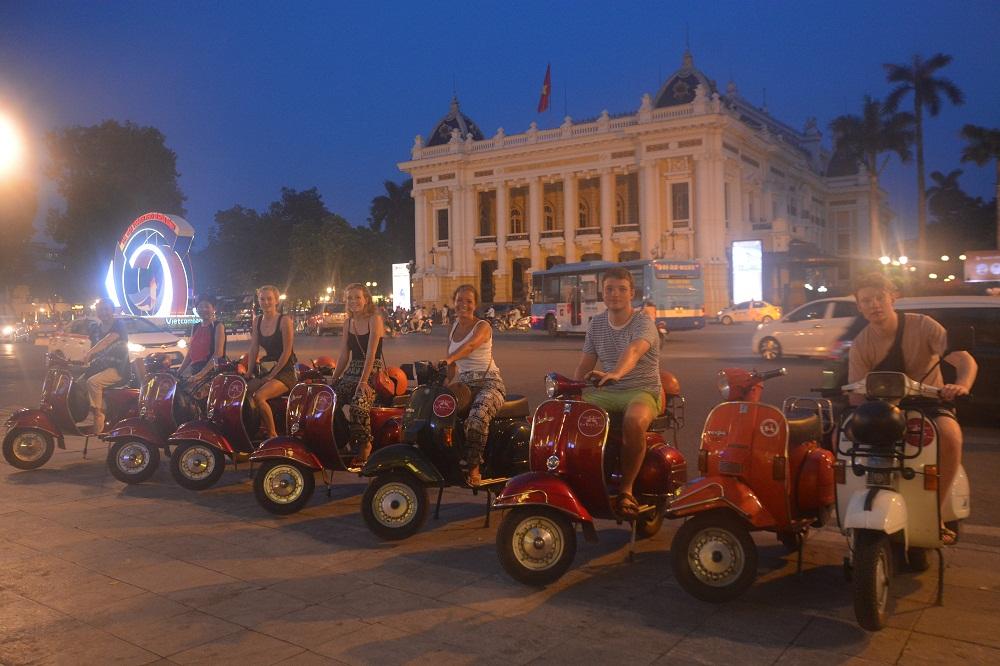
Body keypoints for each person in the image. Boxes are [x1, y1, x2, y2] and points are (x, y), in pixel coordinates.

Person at [848, 272, 977, 545]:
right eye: (866, 301)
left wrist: (961, 385)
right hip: (885, 411)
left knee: (950, 435)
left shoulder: (923, 326)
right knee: (845, 443)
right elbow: (857, 391)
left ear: (892, 297)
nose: (874, 305)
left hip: (928, 405)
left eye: (879, 297)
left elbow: (965, 361)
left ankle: (936, 512)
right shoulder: (861, 343)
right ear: (859, 306)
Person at [574, 267, 661, 517]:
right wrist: (571, 388)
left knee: (633, 422)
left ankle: (626, 489)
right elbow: (585, 363)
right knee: (570, 414)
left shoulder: (643, 322)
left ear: (631, 293)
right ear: (603, 293)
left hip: (641, 390)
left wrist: (617, 373)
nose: (615, 294)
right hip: (608, 390)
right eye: (609, 289)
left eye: (622, 289)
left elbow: (633, 351)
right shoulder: (597, 324)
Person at [442, 284, 506, 486]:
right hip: (464, 387)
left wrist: (448, 359)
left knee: (476, 419)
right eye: (459, 300)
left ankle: (474, 466)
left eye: (468, 301)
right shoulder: (453, 328)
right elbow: (452, 369)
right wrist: (441, 385)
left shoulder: (483, 326)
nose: (463, 305)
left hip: (489, 383)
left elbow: (469, 347)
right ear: (454, 302)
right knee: (439, 414)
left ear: (475, 304)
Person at [330, 283, 386, 466]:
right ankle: (342, 438)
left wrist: (363, 382)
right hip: (352, 370)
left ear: (366, 299)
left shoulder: (374, 319)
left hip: (372, 370)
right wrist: (333, 379)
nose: (353, 301)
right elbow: (344, 354)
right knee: (329, 401)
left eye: (357, 297)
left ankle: (365, 444)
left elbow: (371, 353)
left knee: (358, 405)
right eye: (350, 298)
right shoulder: (348, 322)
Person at [246, 285, 297, 439]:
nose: (266, 302)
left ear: (276, 301)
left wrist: (272, 375)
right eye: (262, 299)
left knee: (259, 397)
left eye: (269, 299)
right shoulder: (257, 320)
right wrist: (248, 371)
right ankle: (253, 428)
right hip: (267, 368)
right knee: (243, 392)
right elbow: (254, 347)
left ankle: (272, 435)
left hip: (285, 370)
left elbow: (287, 351)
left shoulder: (284, 320)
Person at [82, 298, 131, 433]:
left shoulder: (119, 325)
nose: (103, 313)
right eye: (100, 310)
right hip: (100, 366)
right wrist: (85, 357)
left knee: (93, 382)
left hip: (118, 368)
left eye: (106, 309)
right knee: (77, 384)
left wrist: (90, 353)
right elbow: (91, 345)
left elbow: (107, 340)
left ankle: (98, 415)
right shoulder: (96, 328)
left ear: (112, 310)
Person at [177, 295, 227, 385]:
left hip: (212, 373)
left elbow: (218, 354)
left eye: (207, 306)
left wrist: (201, 374)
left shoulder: (218, 326)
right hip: (195, 370)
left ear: (214, 309)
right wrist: (178, 372)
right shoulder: (196, 326)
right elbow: (190, 352)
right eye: (200, 307)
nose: (203, 309)